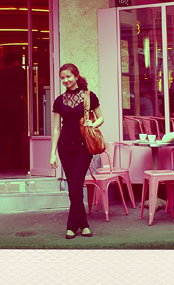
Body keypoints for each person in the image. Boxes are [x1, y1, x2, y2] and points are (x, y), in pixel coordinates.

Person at [50, 63, 104, 239]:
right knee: (73, 187)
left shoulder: (89, 96)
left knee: (76, 185)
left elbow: (101, 118)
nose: (65, 80)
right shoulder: (59, 101)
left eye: (68, 76)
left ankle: (71, 226)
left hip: (83, 147)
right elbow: (57, 128)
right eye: (62, 78)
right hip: (65, 148)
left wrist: (92, 123)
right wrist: (52, 153)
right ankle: (84, 224)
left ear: (76, 76)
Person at [0, 52, 27, 170]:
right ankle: (15, 162)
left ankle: (0, 162)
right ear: (14, 62)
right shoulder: (19, 74)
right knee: (16, 136)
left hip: (3, 107)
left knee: (3, 136)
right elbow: (26, 84)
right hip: (16, 107)